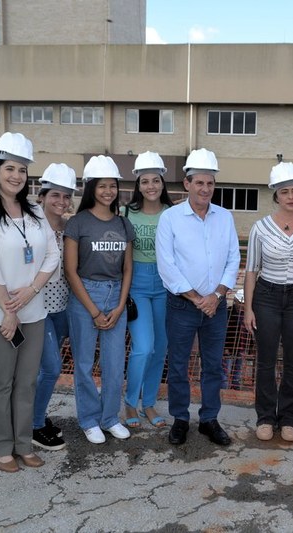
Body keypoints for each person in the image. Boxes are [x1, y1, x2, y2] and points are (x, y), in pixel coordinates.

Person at [0, 132, 60, 473]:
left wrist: (32, 291)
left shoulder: (35, 210)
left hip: (33, 312)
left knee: (27, 381)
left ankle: (23, 444)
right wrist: (9, 311)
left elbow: (52, 254)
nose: (16, 176)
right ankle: (1, 447)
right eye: (9, 168)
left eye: (22, 170)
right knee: (1, 381)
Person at [156, 148, 240, 446]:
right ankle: (180, 418)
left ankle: (209, 419)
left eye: (210, 183)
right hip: (182, 305)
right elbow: (167, 265)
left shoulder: (225, 217)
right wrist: (196, 298)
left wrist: (217, 295)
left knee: (213, 365)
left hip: (216, 306)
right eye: (199, 183)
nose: (205, 189)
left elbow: (233, 258)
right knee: (178, 364)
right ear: (187, 184)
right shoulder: (170, 218)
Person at [243, 161, 293, 442]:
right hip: (266, 296)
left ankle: (289, 418)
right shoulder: (260, 228)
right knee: (265, 360)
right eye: (285, 191)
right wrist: (248, 308)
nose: (291, 197)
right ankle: (265, 417)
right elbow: (251, 270)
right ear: (275, 195)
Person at [64, 155, 134, 444]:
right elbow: (70, 270)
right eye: (102, 186)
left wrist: (119, 306)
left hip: (116, 294)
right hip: (85, 296)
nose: (108, 191)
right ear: (91, 188)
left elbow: (128, 267)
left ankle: (109, 418)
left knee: (115, 363)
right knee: (83, 363)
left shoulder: (123, 224)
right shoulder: (78, 223)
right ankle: (89, 419)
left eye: (112, 186)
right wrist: (93, 310)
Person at [123, 151, 174, 429]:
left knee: (160, 348)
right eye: (145, 181)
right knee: (143, 347)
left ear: (163, 183)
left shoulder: (173, 213)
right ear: (138, 185)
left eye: (156, 180)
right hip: (137, 285)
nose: (151, 186)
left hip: (166, 286)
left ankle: (149, 402)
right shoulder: (125, 213)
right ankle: (130, 401)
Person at [31, 163, 77, 451]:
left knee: (43, 370)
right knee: (51, 368)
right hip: (37, 308)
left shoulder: (69, 227)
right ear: (43, 195)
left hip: (62, 308)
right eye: (55, 196)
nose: (61, 202)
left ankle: (35, 416)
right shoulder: (31, 224)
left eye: (66, 196)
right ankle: (33, 426)